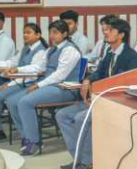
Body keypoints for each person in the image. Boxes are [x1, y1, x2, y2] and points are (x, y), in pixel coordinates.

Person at [57, 19, 137, 169]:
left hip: (116, 103)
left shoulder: (131, 57)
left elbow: (128, 85)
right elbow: (99, 73)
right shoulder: (110, 53)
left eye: (110, 30)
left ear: (121, 34)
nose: (106, 33)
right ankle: (78, 157)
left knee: (81, 118)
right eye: (105, 30)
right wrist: (88, 80)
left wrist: (98, 95)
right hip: (99, 98)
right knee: (62, 115)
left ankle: (88, 161)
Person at [5, 20, 82, 156]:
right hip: (49, 84)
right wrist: (18, 69)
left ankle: (34, 142)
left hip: (65, 88)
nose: (52, 36)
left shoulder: (70, 50)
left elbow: (60, 75)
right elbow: (40, 67)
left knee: (24, 102)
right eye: (51, 32)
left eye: (55, 33)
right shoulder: (51, 49)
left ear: (64, 34)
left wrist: (38, 85)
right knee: (11, 101)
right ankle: (26, 136)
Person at [0, 23, 47, 142]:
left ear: (38, 35)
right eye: (24, 32)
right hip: (18, 81)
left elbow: (34, 72)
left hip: (29, 83)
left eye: (28, 32)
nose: (25, 35)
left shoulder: (41, 51)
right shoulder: (25, 48)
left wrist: (10, 84)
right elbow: (12, 62)